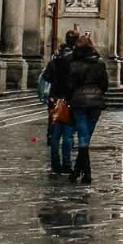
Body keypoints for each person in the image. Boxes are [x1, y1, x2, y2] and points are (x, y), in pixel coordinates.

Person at [66, 33, 109, 184]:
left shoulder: (73, 63)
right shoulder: (100, 62)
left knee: (83, 138)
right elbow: (104, 84)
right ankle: (81, 173)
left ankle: (83, 173)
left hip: (79, 102)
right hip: (96, 103)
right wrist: (97, 93)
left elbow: (70, 85)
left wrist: (72, 96)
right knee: (86, 137)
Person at [43, 30, 79, 176]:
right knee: (68, 135)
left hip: (55, 100)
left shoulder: (55, 59)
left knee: (55, 135)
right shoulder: (76, 61)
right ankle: (66, 164)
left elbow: (47, 77)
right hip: (70, 100)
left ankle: (55, 164)